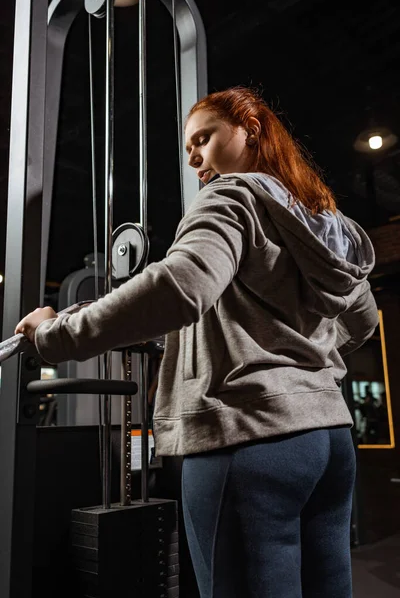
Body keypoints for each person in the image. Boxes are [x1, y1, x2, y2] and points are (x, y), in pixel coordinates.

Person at [16, 87, 379, 597]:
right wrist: (294, 361)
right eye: (189, 149)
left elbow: (179, 287)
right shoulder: (326, 224)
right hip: (328, 443)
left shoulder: (233, 197)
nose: (194, 158)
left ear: (250, 131)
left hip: (249, 440)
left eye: (203, 139)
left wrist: (55, 334)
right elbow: (363, 320)